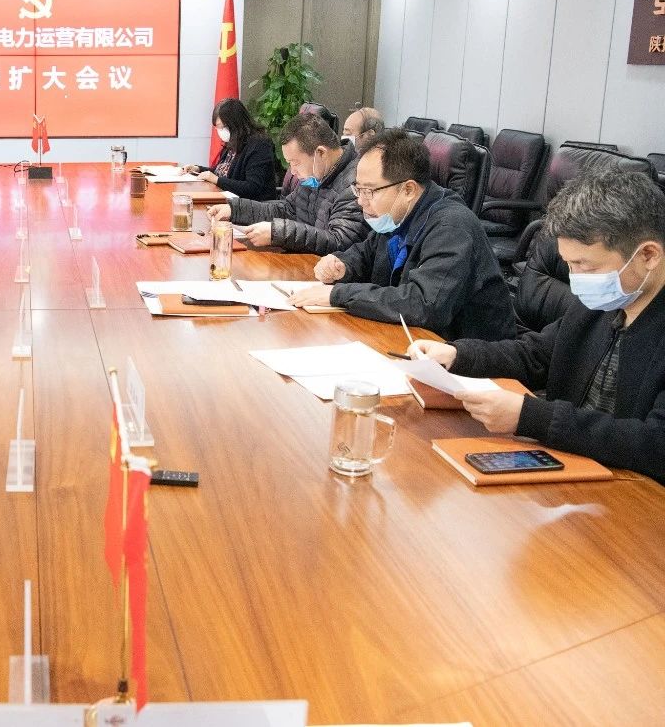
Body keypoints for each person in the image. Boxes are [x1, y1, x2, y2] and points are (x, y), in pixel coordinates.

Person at [411, 170, 665, 484]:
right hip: (569, 466)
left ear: (648, 255)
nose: (575, 279)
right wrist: (457, 355)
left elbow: (656, 443)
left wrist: (530, 417)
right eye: (568, 264)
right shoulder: (605, 303)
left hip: (636, 489)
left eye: (585, 266)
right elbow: (537, 355)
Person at [290, 128, 514, 340]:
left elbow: (423, 304)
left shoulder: (452, 227)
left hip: (464, 355)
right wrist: (341, 265)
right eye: (358, 189)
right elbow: (365, 254)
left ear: (408, 190)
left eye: (369, 191)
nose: (360, 201)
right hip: (412, 339)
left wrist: (338, 295)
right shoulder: (397, 216)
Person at [205, 112, 367, 254]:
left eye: (295, 163)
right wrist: (235, 210)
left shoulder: (357, 183)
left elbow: (340, 241)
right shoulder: (316, 175)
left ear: (321, 153)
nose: (293, 172)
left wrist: (278, 233)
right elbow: (287, 210)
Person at [183, 98, 276, 200]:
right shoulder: (233, 142)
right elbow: (221, 171)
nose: (220, 131)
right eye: (218, 128)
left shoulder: (259, 144)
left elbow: (253, 187)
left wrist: (217, 180)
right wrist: (198, 169)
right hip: (228, 201)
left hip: (252, 205)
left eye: (223, 127)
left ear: (235, 124)